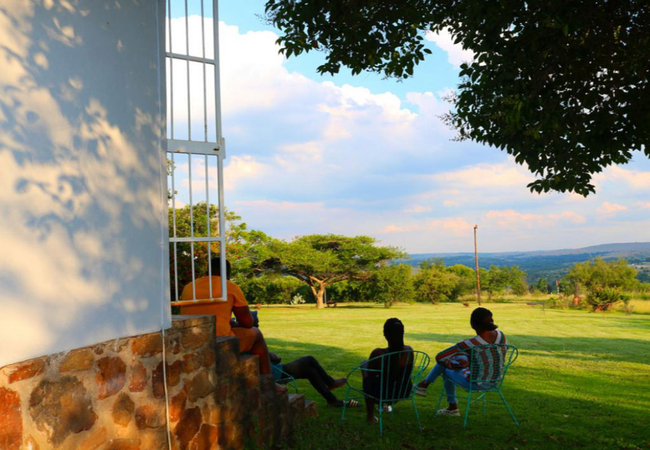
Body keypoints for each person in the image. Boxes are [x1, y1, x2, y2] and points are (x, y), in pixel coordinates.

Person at [179, 257, 286, 392]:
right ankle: (268, 381)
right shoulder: (229, 287)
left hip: (191, 338)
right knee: (257, 334)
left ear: (207, 270)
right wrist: (236, 323)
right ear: (228, 273)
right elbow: (247, 323)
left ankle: (270, 361)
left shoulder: (190, 286)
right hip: (218, 340)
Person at [415, 307, 507, 416]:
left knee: (445, 368)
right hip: (495, 380)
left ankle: (450, 406)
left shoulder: (470, 343)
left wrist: (447, 363)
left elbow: (440, 357)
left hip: (477, 383)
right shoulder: (501, 336)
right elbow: (491, 355)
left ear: (473, 325)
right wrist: (466, 359)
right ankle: (424, 386)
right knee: (459, 359)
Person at [362, 318, 413, 423]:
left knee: (364, 367)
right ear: (403, 333)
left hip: (380, 393)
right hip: (403, 391)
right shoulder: (409, 351)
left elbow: (371, 375)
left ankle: (370, 416)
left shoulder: (378, 354)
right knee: (382, 379)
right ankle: (385, 405)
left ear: (385, 334)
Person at [269, 353, 359, 407]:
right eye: (257, 324)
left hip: (277, 371)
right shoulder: (257, 340)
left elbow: (276, 359)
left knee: (311, 371)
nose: (258, 325)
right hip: (279, 373)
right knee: (309, 360)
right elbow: (277, 358)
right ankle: (330, 383)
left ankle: (332, 400)